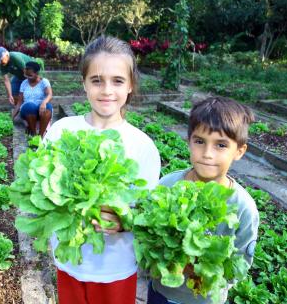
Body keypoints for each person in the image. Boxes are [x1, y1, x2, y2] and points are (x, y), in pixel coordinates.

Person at [44, 36, 161, 304]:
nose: (107, 90)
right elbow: (43, 189)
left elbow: (147, 212)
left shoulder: (142, 146)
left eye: (117, 81)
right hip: (70, 261)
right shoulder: (62, 130)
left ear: (130, 85)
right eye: (96, 80)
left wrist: (124, 220)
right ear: (84, 83)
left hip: (115, 267)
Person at [147, 96, 260, 304]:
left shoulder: (244, 208)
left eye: (221, 145)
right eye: (199, 141)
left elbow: (240, 266)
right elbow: (145, 238)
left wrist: (200, 269)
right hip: (162, 293)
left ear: (239, 151)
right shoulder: (167, 186)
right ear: (189, 142)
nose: (207, 154)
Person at [14, 61, 53, 137]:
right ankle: (34, 134)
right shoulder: (24, 83)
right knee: (30, 106)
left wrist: (44, 102)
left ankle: (41, 136)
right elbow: (19, 103)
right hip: (27, 111)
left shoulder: (44, 82)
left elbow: (50, 95)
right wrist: (11, 117)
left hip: (41, 111)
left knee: (48, 107)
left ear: (37, 74)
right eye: (26, 75)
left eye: (30, 75)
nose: (28, 77)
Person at [0, 46, 34, 116]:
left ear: (6, 54)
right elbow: (6, 80)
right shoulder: (3, 64)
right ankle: (18, 110)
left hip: (31, 73)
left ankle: (30, 110)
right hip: (19, 76)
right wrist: (9, 95)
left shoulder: (15, 57)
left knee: (28, 93)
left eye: (1, 59)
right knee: (13, 92)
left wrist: (28, 88)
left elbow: (28, 73)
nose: (0, 62)